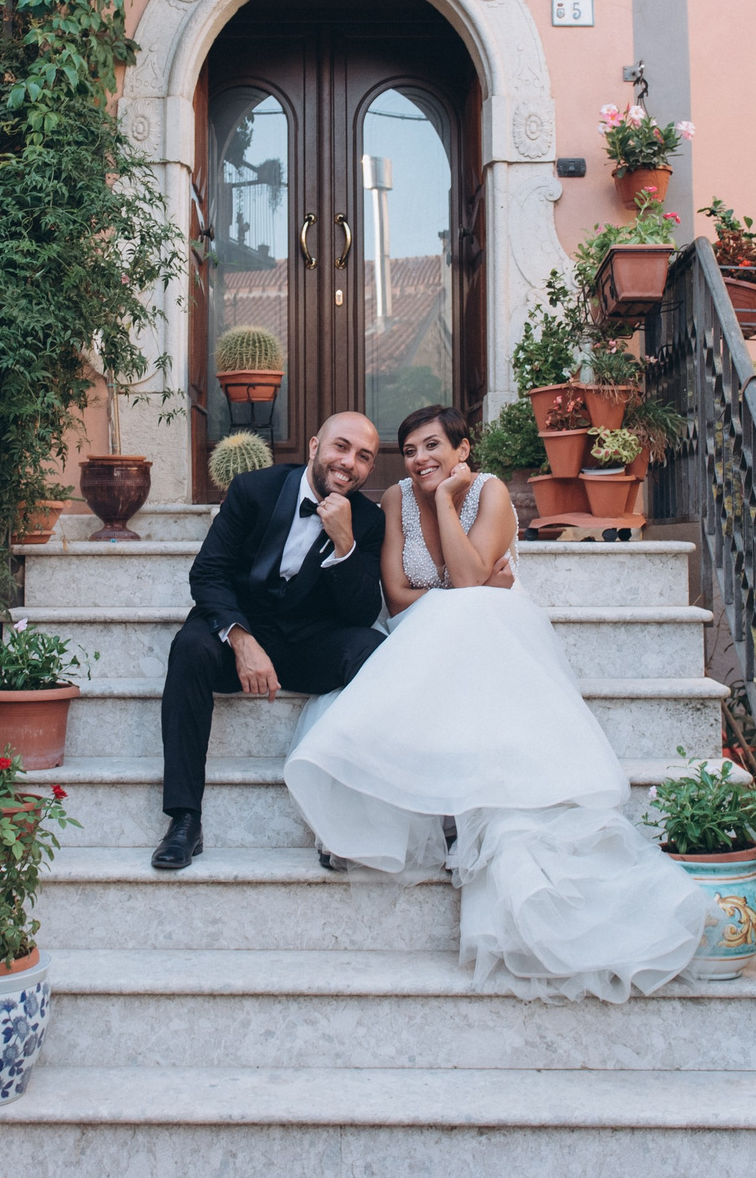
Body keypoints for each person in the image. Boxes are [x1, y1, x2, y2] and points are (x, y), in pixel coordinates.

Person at [282, 404, 707, 1002]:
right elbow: (400, 601)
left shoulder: (491, 494)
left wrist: (451, 507)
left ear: (463, 452)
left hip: (490, 629)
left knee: (473, 613)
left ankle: (476, 810)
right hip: (429, 632)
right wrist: (469, 584)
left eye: (434, 446)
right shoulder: (396, 502)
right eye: (410, 450)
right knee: (463, 610)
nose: (422, 459)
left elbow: (465, 578)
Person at [153, 412, 389, 872]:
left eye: (364, 457)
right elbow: (208, 574)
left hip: (306, 643)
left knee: (373, 652)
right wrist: (241, 639)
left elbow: (361, 614)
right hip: (241, 630)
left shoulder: (368, 520)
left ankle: (345, 815)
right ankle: (184, 819)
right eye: (341, 447)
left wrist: (345, 545)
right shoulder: (253, 489)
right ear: (314, 445)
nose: (349, 463)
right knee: (189, 648)